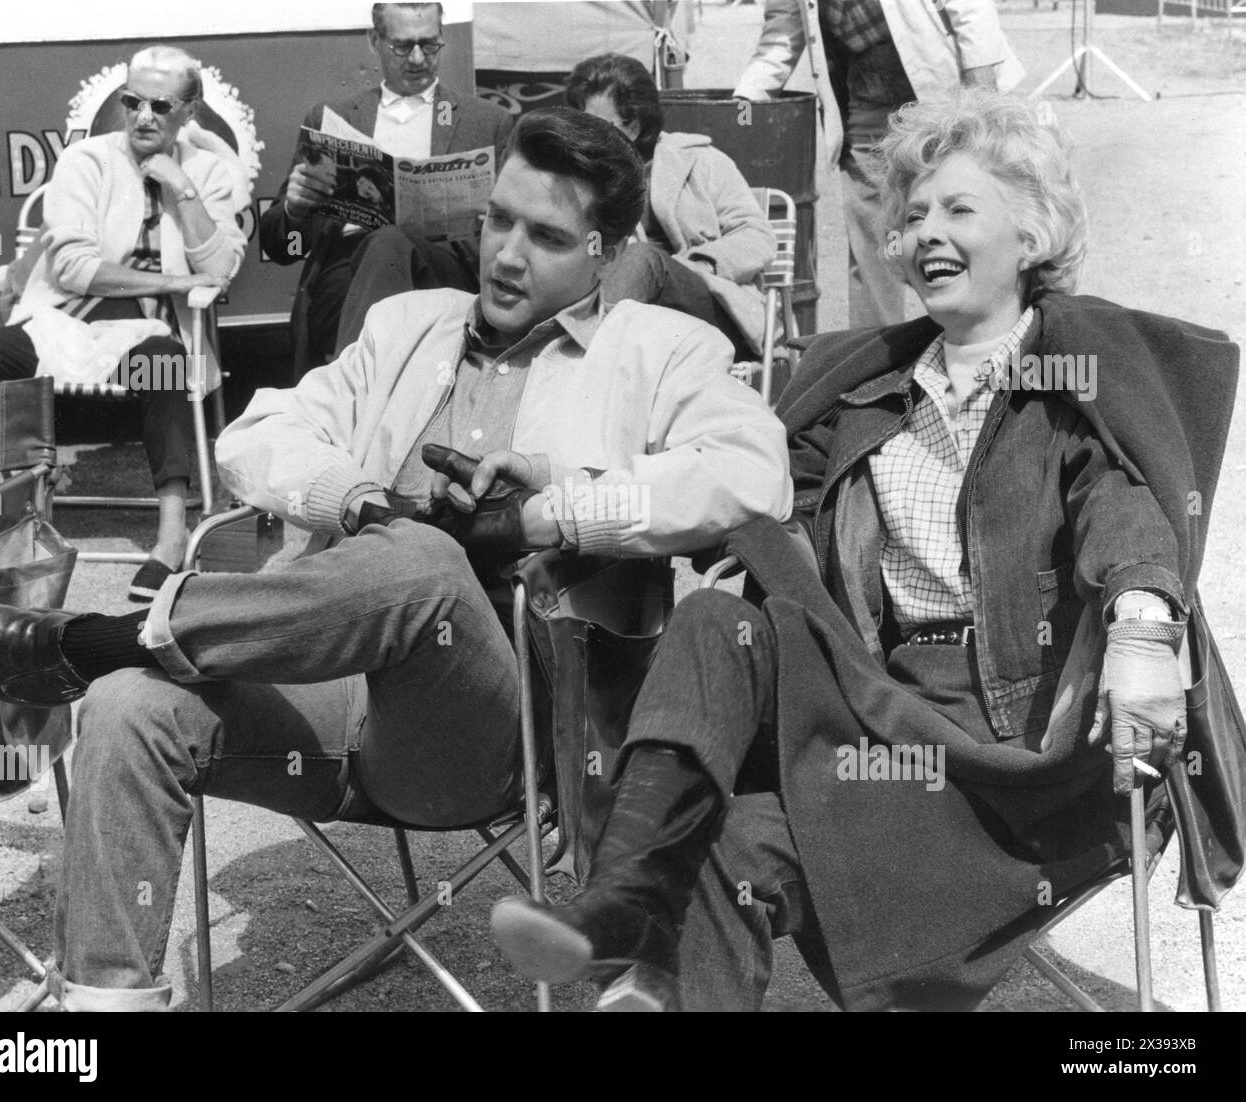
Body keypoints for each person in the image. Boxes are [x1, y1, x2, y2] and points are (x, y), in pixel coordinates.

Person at [0, 107, 791, 1011]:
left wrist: (552, 511)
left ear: (606, 252)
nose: (506, 255)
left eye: (545, 237)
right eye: (498, 220)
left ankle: (96, 637)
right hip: (334, 693)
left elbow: (752, 474)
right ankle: (101, 1010)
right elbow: (259, 433)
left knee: (425, 563)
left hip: (499, 730)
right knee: (128, 706)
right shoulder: (408, 327)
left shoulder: (660, 349)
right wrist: (356, 499)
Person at [491, 90, 1241, 1012]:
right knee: (720, 625)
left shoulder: (1069, 384)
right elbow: (741, 486)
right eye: (914, 212)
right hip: (871, 721)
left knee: (746, 843)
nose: (928, 231)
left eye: (960, 209)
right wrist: (566, 487)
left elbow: (1122, 513)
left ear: (1033, 234)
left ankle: (638, 920)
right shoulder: (862, 386)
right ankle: (626, 902)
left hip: (1011, 756)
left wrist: (1140, 622)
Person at [0, 45, 245, 601]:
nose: (142, 116)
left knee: (166, 368)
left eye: (159, 105)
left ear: (189, 110)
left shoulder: (210, 174)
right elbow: (75, 268)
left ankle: (170, 538)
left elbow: (220, 268)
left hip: (152, 331)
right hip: (62, 320)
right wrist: (170, 282)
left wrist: (182, 187)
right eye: (133, 102)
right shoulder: (86, 161)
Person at [261, 1, 514, 381]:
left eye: (430, 45)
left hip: (444, 268)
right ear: (374, 41)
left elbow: (512, 234)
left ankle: (350, 394)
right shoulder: (333, 119)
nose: (417, 59)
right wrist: (295, 213)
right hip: (346, 272)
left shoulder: (487, 122)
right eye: (402, 46)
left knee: (390, 241)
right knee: (382, 246)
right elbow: (287, 249)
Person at [734, 0, 1024, 328]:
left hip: (943, 91)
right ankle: (877, 361)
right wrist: (742, 105)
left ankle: (993, 338)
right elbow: (782, 33)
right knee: (875, 241)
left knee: (968, 219)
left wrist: (981, 99)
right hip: (866, 104)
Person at [566, 53, 775, 359]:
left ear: (633, 125)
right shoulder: (585, 180)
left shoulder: (699, 160)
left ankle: (584, 365)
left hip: (707, 312)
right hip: (628, 318)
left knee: (642, 258)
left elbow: (757, 235)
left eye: (595, 125)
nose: (584, 136)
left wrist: (701, 262)